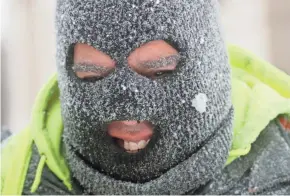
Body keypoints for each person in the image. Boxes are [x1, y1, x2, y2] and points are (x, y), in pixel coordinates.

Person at [1, 0, 290, 194]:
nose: (127, 107)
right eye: (93, 76)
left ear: (207, 65)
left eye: (159, 72)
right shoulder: (13, 177)